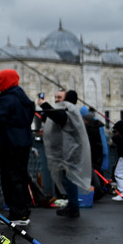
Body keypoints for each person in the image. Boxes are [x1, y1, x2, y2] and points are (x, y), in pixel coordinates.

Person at [0, 69, 35, 225]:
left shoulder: (7, 99)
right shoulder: (23, 98)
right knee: (21, 177)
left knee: (10, 179)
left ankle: (17, 214)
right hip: (24, 142)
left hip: (10, 143)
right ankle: (24, 212)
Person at [38, 90, 91, 218]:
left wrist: (44, 104)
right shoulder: (69, 110)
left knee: (69, 178)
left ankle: (73, 207)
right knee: (67, 178)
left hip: (70, 152)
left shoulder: (69, 110)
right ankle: (72, 205)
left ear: (66, 99)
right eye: (55, 97)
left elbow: (59, 117)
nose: (57, 100)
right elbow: (54, 119)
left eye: (60, 97)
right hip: (67, 151)